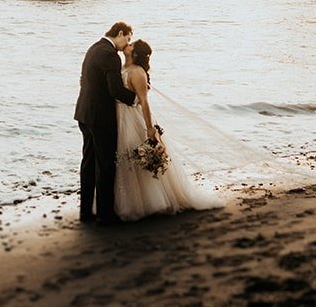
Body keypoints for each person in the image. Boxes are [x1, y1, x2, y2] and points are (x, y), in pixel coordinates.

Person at [113, 39, 226, 222]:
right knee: (123, 157)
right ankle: (122, 201)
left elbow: (144, 102)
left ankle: (149, 201)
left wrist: (149, 128)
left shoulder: (137, 72)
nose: (128, 44)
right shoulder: (121, 67)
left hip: (132, 119)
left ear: (135, 54)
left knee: (133, 154)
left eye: (131, 44)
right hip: (118, 117)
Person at [73, 21, 137, 225]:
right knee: (106, 164)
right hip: (100, 117)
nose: (126, 44)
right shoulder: (111, 56)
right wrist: (136, 99)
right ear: (120, 33)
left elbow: (84, 80)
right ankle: (105, 213)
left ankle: (85, 212)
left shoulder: (94, 48)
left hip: (84, 113)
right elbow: (115, 90)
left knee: (89, 163)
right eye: (127, 39)